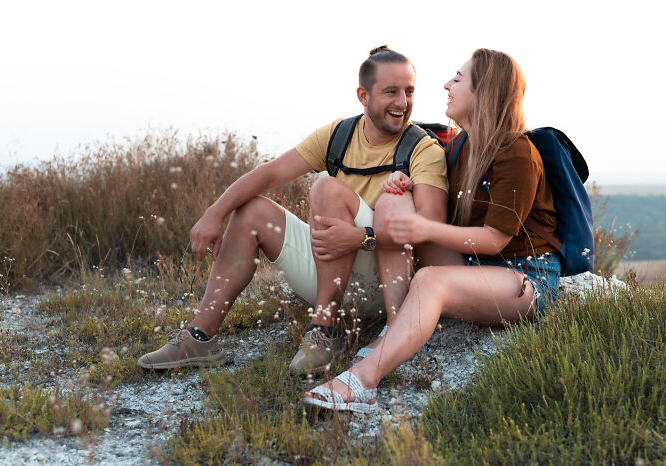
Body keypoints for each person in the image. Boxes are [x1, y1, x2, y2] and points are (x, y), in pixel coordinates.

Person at [137, 46, 448, 373]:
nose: (402, 102)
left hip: (386, 284)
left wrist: (359, 237)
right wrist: (214, 212)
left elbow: (430, 227)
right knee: (252, 211)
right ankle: (199, 338)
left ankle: (322, 333)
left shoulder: (422, 148)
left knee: (325, 186)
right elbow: (268, 173)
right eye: (391, 92)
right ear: (363, 95)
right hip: (333, 270)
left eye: (409, 91)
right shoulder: (339, 135)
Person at [302, 48, 562, 413]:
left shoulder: (515, 152)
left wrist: (422, 226)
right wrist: (403, 184)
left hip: (524, 277)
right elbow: (437, 215)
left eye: (458, 78)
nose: (446, 85)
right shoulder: (462, 146)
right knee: (393, 202)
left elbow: (496, 240)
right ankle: (396, 328)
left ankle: (362, 382)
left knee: (430, 281)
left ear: (484, 91)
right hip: (473, 267)